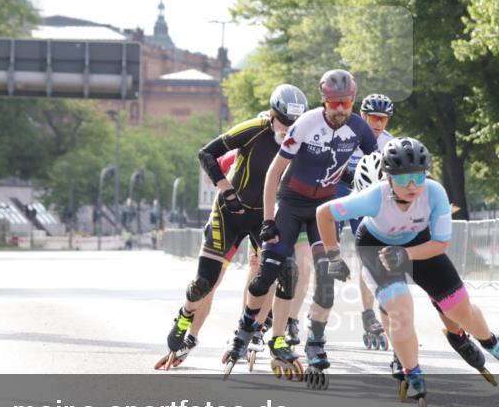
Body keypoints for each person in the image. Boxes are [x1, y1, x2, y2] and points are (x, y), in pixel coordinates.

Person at [315, 137, 499, 402]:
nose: (412, 186)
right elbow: (323, 213)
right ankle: (413, 371)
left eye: (418, 178)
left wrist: (405, 254)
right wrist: (334, 256)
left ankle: (490, 342)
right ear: (388, 177)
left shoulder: (434, 192)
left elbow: (441, 243)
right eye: (404, 178)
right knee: (401, 311)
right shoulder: (374, 197)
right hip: (376, 247)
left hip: (419, 244)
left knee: (459, 309)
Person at [227, 69, 377, 384]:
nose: (340, 109)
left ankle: (315, 343)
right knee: (273, 271)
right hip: (291, 204)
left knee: (325, 277)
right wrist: (268, 220)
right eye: (334, 103)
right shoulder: (307, 123)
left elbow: (378, 169)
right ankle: (248, 326)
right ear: (324, 100)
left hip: (322, 210)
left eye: (346, 103)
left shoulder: (360, 129)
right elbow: (274, 172)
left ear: (352, 101)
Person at [158, 85, 309, 370]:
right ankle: (185, 315)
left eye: (295, 125)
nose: (289, 130)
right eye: (285, 123)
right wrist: (227, 191)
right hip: (229, 212)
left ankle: (253, 331)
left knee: (285, 271)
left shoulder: (301, 139)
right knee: (206, 283)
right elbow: (207, 154)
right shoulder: (255, 128)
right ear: (273, 114)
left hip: (262, 215)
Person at [337, 93, 395, 348]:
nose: (379, 124)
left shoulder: (390, 144)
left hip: (367, 198)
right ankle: (318, 309)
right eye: (374, 118)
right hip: (339, 192)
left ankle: (369, 314)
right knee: (325, 251)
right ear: (363, 116)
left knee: (369, 256)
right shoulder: (346, 133)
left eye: (384, 119)